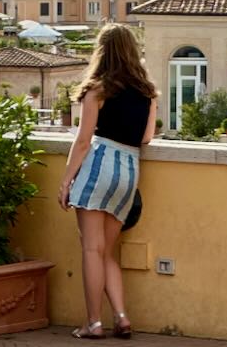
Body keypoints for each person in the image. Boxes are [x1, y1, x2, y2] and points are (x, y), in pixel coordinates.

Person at [58, 23, 157, 340]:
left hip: (99, 166)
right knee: (107, 252)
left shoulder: (97, 90)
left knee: (91, 249)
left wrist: (66, 181)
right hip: (128, 170)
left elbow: (84, 141)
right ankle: (122, 317)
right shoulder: (146, 93)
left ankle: (93, 323)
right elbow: (146, 137)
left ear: (102, 52)